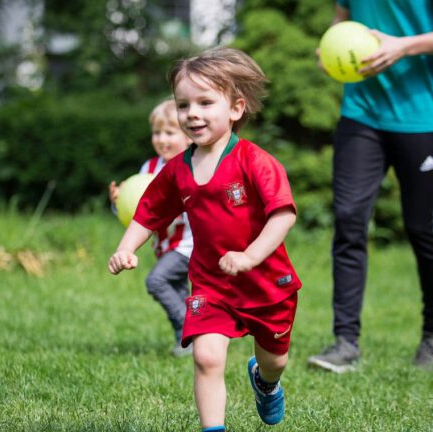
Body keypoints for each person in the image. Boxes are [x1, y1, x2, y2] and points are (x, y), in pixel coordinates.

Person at [108, 47, 302, 431]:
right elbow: (148, 211)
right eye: (184, 105)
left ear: (236, 108)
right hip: (212, 283)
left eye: (205, 102)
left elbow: (283, 215)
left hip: (267, 284)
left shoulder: (255, 161)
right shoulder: (177, 170)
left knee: (274, 360)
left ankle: (266, 382)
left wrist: (249, 257)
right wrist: (126, 248)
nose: (192, 113)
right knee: (207, 358)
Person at [307, 0, 433, 373]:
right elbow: (342, 21)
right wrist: (330, 51)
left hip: (421, 115)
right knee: (348, 219)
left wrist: (404, 45)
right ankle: (345, 342)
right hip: (361, 114)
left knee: (422, 226)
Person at [109, 99, 194, 357]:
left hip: (190, 245)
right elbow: (138, 208)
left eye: (170, 133)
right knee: (178, 293)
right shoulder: (148, 168)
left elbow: (184, 208)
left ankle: (193, 334)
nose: (161, 139)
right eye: (157, 133)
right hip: (165, 246)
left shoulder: (191, 165)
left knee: (156, 281)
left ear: (189, 136)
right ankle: (187, 341)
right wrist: (118, 202)